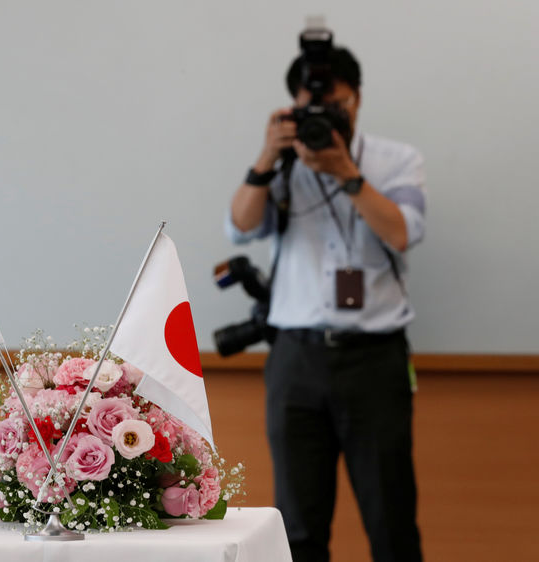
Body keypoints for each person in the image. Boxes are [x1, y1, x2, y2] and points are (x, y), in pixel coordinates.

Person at [225, 44, 425, 562]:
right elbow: (241, 225)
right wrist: (267, 156)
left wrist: (345, 172)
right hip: (296, 357)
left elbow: (403, 233)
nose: (324, 119)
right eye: (311, 110)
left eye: (335, 106)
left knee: (391, 517)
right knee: (297, 525)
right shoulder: (282, 165)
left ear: (356, 100)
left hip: (375, 358)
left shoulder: (396, 159)